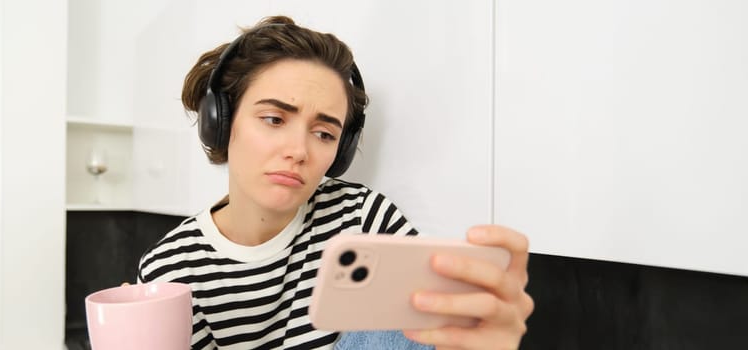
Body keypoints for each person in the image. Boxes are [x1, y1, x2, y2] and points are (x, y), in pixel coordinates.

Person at [138, 15, 534, 349]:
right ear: (220, 124)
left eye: (324, 134)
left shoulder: (364, 218)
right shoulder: (169, 270)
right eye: (274, 119)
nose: (299, 150)